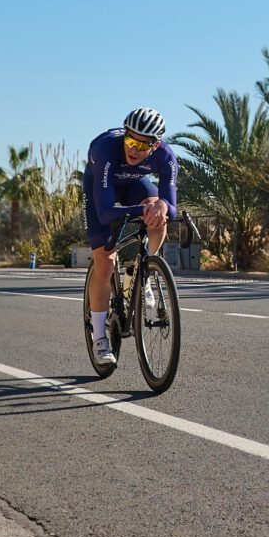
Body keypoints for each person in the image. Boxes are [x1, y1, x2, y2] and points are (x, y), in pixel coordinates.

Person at [82, 107, 178, 366]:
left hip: (135, 185)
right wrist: (146, 209)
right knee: (105, 261)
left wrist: (161, 208)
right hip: (101, 191)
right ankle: (100, 338)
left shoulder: (167, 156)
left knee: (159, 217)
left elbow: (172, 204)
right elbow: (105, 213)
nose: (133, 149)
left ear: (155, 146)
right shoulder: (106, 150)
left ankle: (141, 272)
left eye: (141, 145)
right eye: (130, 140)